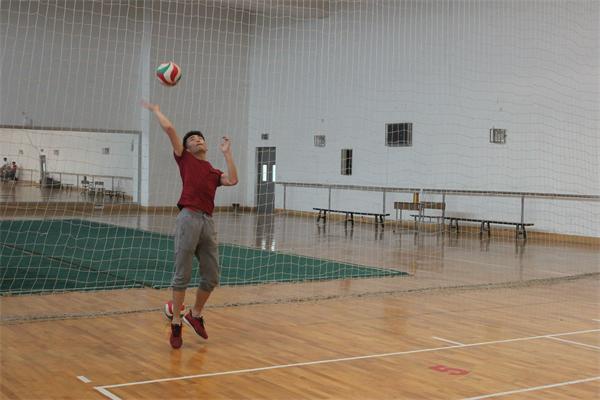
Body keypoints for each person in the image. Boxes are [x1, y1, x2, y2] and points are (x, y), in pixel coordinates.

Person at [142, 100, 238, 349]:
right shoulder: (184, 159)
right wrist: (156, 111)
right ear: (186, 148)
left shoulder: (213, 171)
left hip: (208, 221)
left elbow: (233, 180)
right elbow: (170, 129)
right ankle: (176, 322)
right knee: (182, 274)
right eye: (193, 139)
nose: (198, 140)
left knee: (212, 276)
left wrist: (227, 153)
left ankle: (194, 315)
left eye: (200, 138)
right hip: (188, 218)